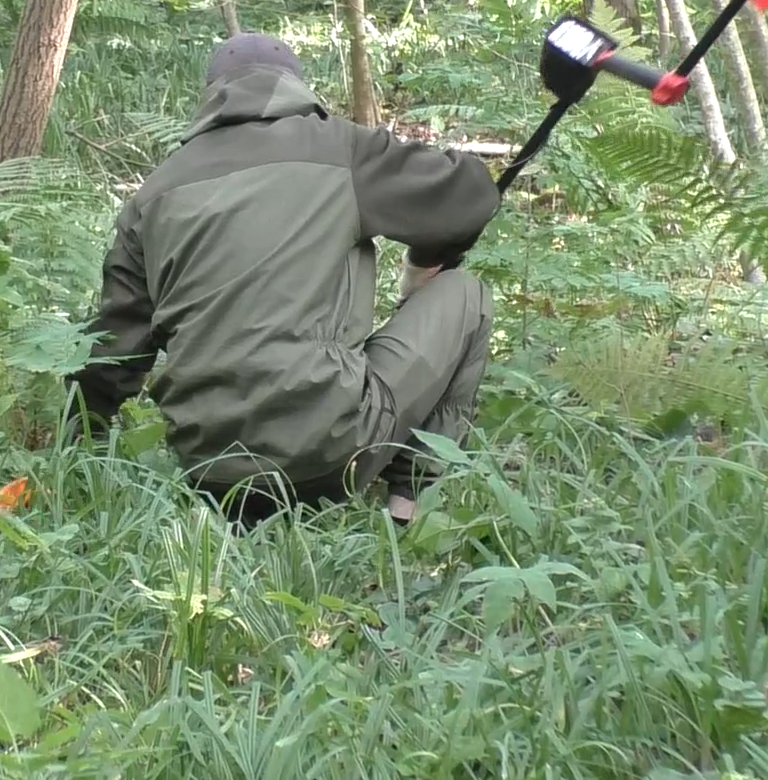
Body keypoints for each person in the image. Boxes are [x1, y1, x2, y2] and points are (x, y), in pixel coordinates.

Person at [63, 32, 500, 527]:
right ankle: (408, 504)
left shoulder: (154, 193)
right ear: (296, 87)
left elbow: (113, 346)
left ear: (210, 96)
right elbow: (471, 197)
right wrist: (427, 259)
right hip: (329, 454)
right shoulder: (341, 148)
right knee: (468, 294)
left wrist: (75, 443)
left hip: (209, 471)